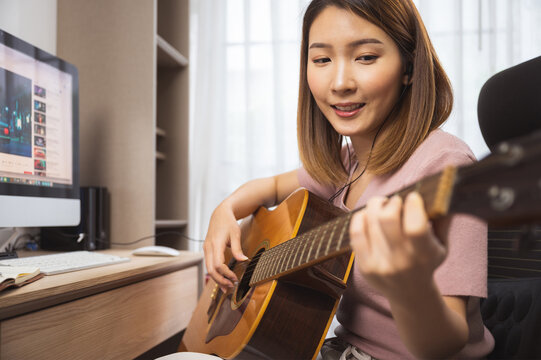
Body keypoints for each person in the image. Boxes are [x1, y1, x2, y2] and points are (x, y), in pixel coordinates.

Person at [203, 0, 495, 358]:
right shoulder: (346, 164)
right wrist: (225, 211)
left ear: (409, 67)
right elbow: (271, 188)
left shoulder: (447, 167)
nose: (339, 83)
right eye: (322, 59)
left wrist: (407, 286)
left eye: (366, 57)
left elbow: (446, 344)